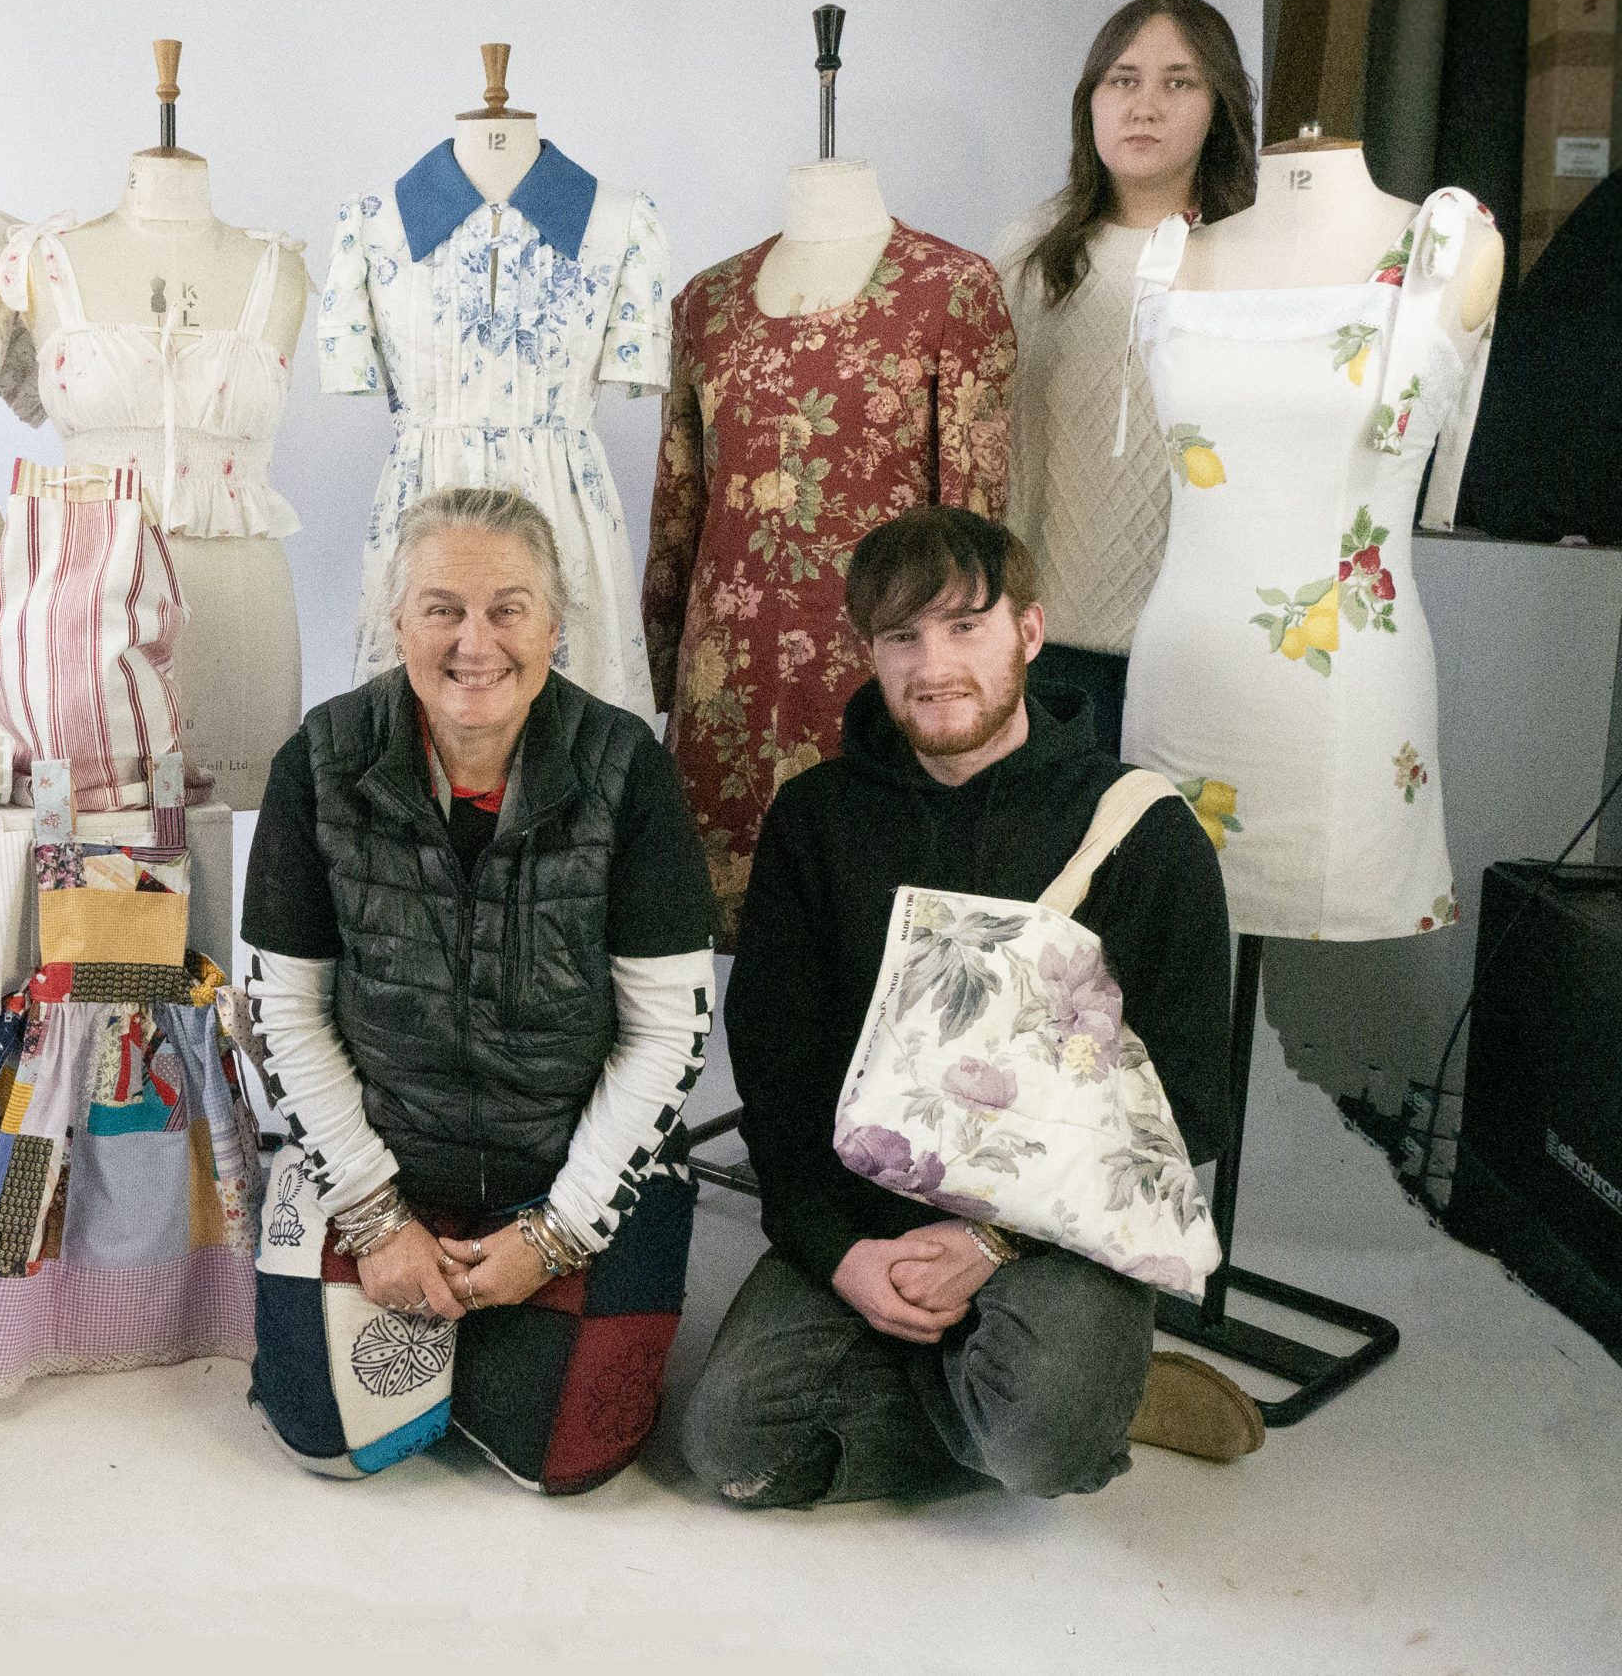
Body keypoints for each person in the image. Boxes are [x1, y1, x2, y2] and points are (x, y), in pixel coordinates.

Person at [682, 507, 1255, 1509]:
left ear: (1028, 634)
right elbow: (776, 1068)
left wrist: (994, 1245)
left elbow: (1191, 1102)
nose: (931, 665)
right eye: (900, 637)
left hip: (1057, 1232)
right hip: (870, 1213)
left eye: (963, 627)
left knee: (1040, 1444)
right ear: (868, 651)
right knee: (731, 1444)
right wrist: (839, 1255)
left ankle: (1058, 1403)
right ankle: (1036, 1396)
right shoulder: (817, 821)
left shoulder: (1143, 830)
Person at [242, 486, 717, 1493]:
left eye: (508, 608)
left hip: (565, 1170)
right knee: (329, 1442)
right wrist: (373, 1218)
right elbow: (284, 1013)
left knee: (557, 1458)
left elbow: (666, 1036)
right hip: (381, 1163)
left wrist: (559, 1233)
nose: (475, 641)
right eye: (441, 608)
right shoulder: (317, 763)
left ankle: (503, 1333)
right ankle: (414, 1300)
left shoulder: (629, 770)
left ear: (554, 625)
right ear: (395, 620)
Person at [994, 0, 1259, 754]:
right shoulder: (1026, 255)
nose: (1145, 105)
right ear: (1090, 102)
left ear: (1220, 106)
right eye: (1123, 79)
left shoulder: (1252, 259)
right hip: (1041, 630)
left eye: (1179, 82)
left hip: (1197, 636)